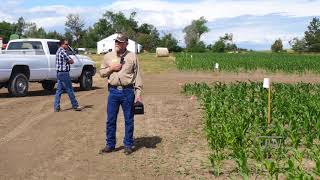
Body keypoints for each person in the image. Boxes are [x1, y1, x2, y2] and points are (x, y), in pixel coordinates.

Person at [99, 33, 143, 155]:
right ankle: (110, 144)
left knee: (129, 119)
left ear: (126, 44)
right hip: (113, 92)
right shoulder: (108, 56)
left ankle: (128, 144)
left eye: (120, 42)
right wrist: (111, 68)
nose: (117, 43)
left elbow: (137, 76)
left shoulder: (132, 57)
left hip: (128, 91)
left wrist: (138, 94)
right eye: (116, 41)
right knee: (111, 119)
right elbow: (101, 73)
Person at [54, 39, 83, 112]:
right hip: (64, 73)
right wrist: (70, 59)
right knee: (69, 89)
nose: (67, 46)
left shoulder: (58, 51)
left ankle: (56, 107)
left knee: (59, 91)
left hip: (59, 73)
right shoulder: (63, 52)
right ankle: (75, 105)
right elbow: (71, 61)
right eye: (66, 44)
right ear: (62, 44)